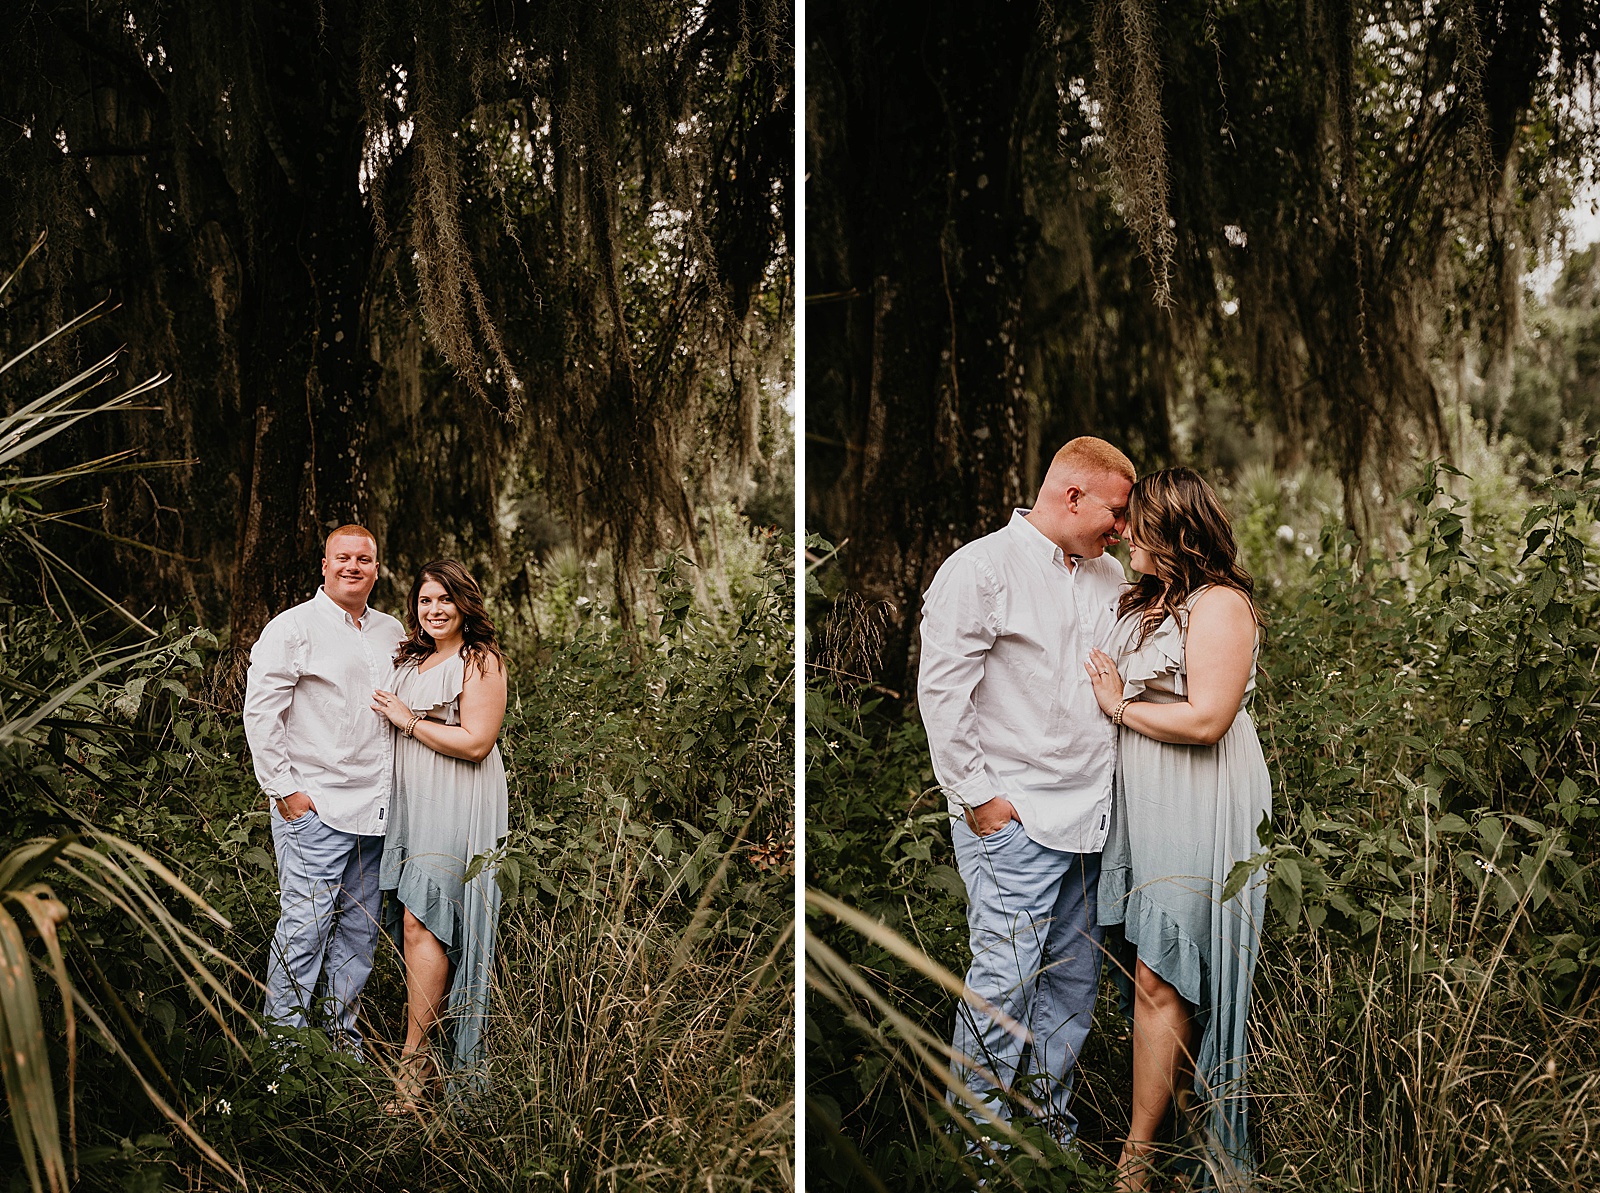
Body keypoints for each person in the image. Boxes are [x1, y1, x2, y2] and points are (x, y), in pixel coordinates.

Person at [917, 436, 1137, 1146]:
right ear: (1073, 495)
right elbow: (942, 693)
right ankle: (978, 1152)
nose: (1124, 528)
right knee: (1002, 991)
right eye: (1117, 510)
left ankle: (1048, 1139)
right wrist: (981, 800)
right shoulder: (980, 568)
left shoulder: (1110, 578)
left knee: (1072, 994)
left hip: (1092, 828)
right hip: (1015, 825)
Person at [1084, 468, 1272, 1191]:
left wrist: (1118, 708)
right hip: (1151, 800)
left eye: (1139, 520)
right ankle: (1170, 1129)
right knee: (1155, 972)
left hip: (1204, 795)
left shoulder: (1220, 605)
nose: (1125, 530)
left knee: (1166, 970)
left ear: (1175, 530)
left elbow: (1206, 719)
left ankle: (1136, 1160)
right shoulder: (1151, 601)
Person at [243, 525, 407, 1056]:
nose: (353, 566)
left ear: (377, 569)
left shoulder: (392, 631)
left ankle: (342, 1043)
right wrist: (284, 791)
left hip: (379, 813)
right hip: (316, 810)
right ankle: (284, 1056)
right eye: (343, 557)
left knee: (359, 936)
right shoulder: (293, 628)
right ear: (324, 565)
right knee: (304, 930)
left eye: (364, 559)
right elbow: (261, 712)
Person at [371, 559, 509, 1106]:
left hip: (460, 795)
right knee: (413, 920)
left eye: (444, 600)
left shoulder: (480, 661)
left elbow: (477, 742)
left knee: (422, 915)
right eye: (425, 601)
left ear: (464, 604)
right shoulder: (414, 657)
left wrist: (409, 720)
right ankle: (422, 1055)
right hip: (412, 798)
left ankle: (415, 1062)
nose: (433, 610)